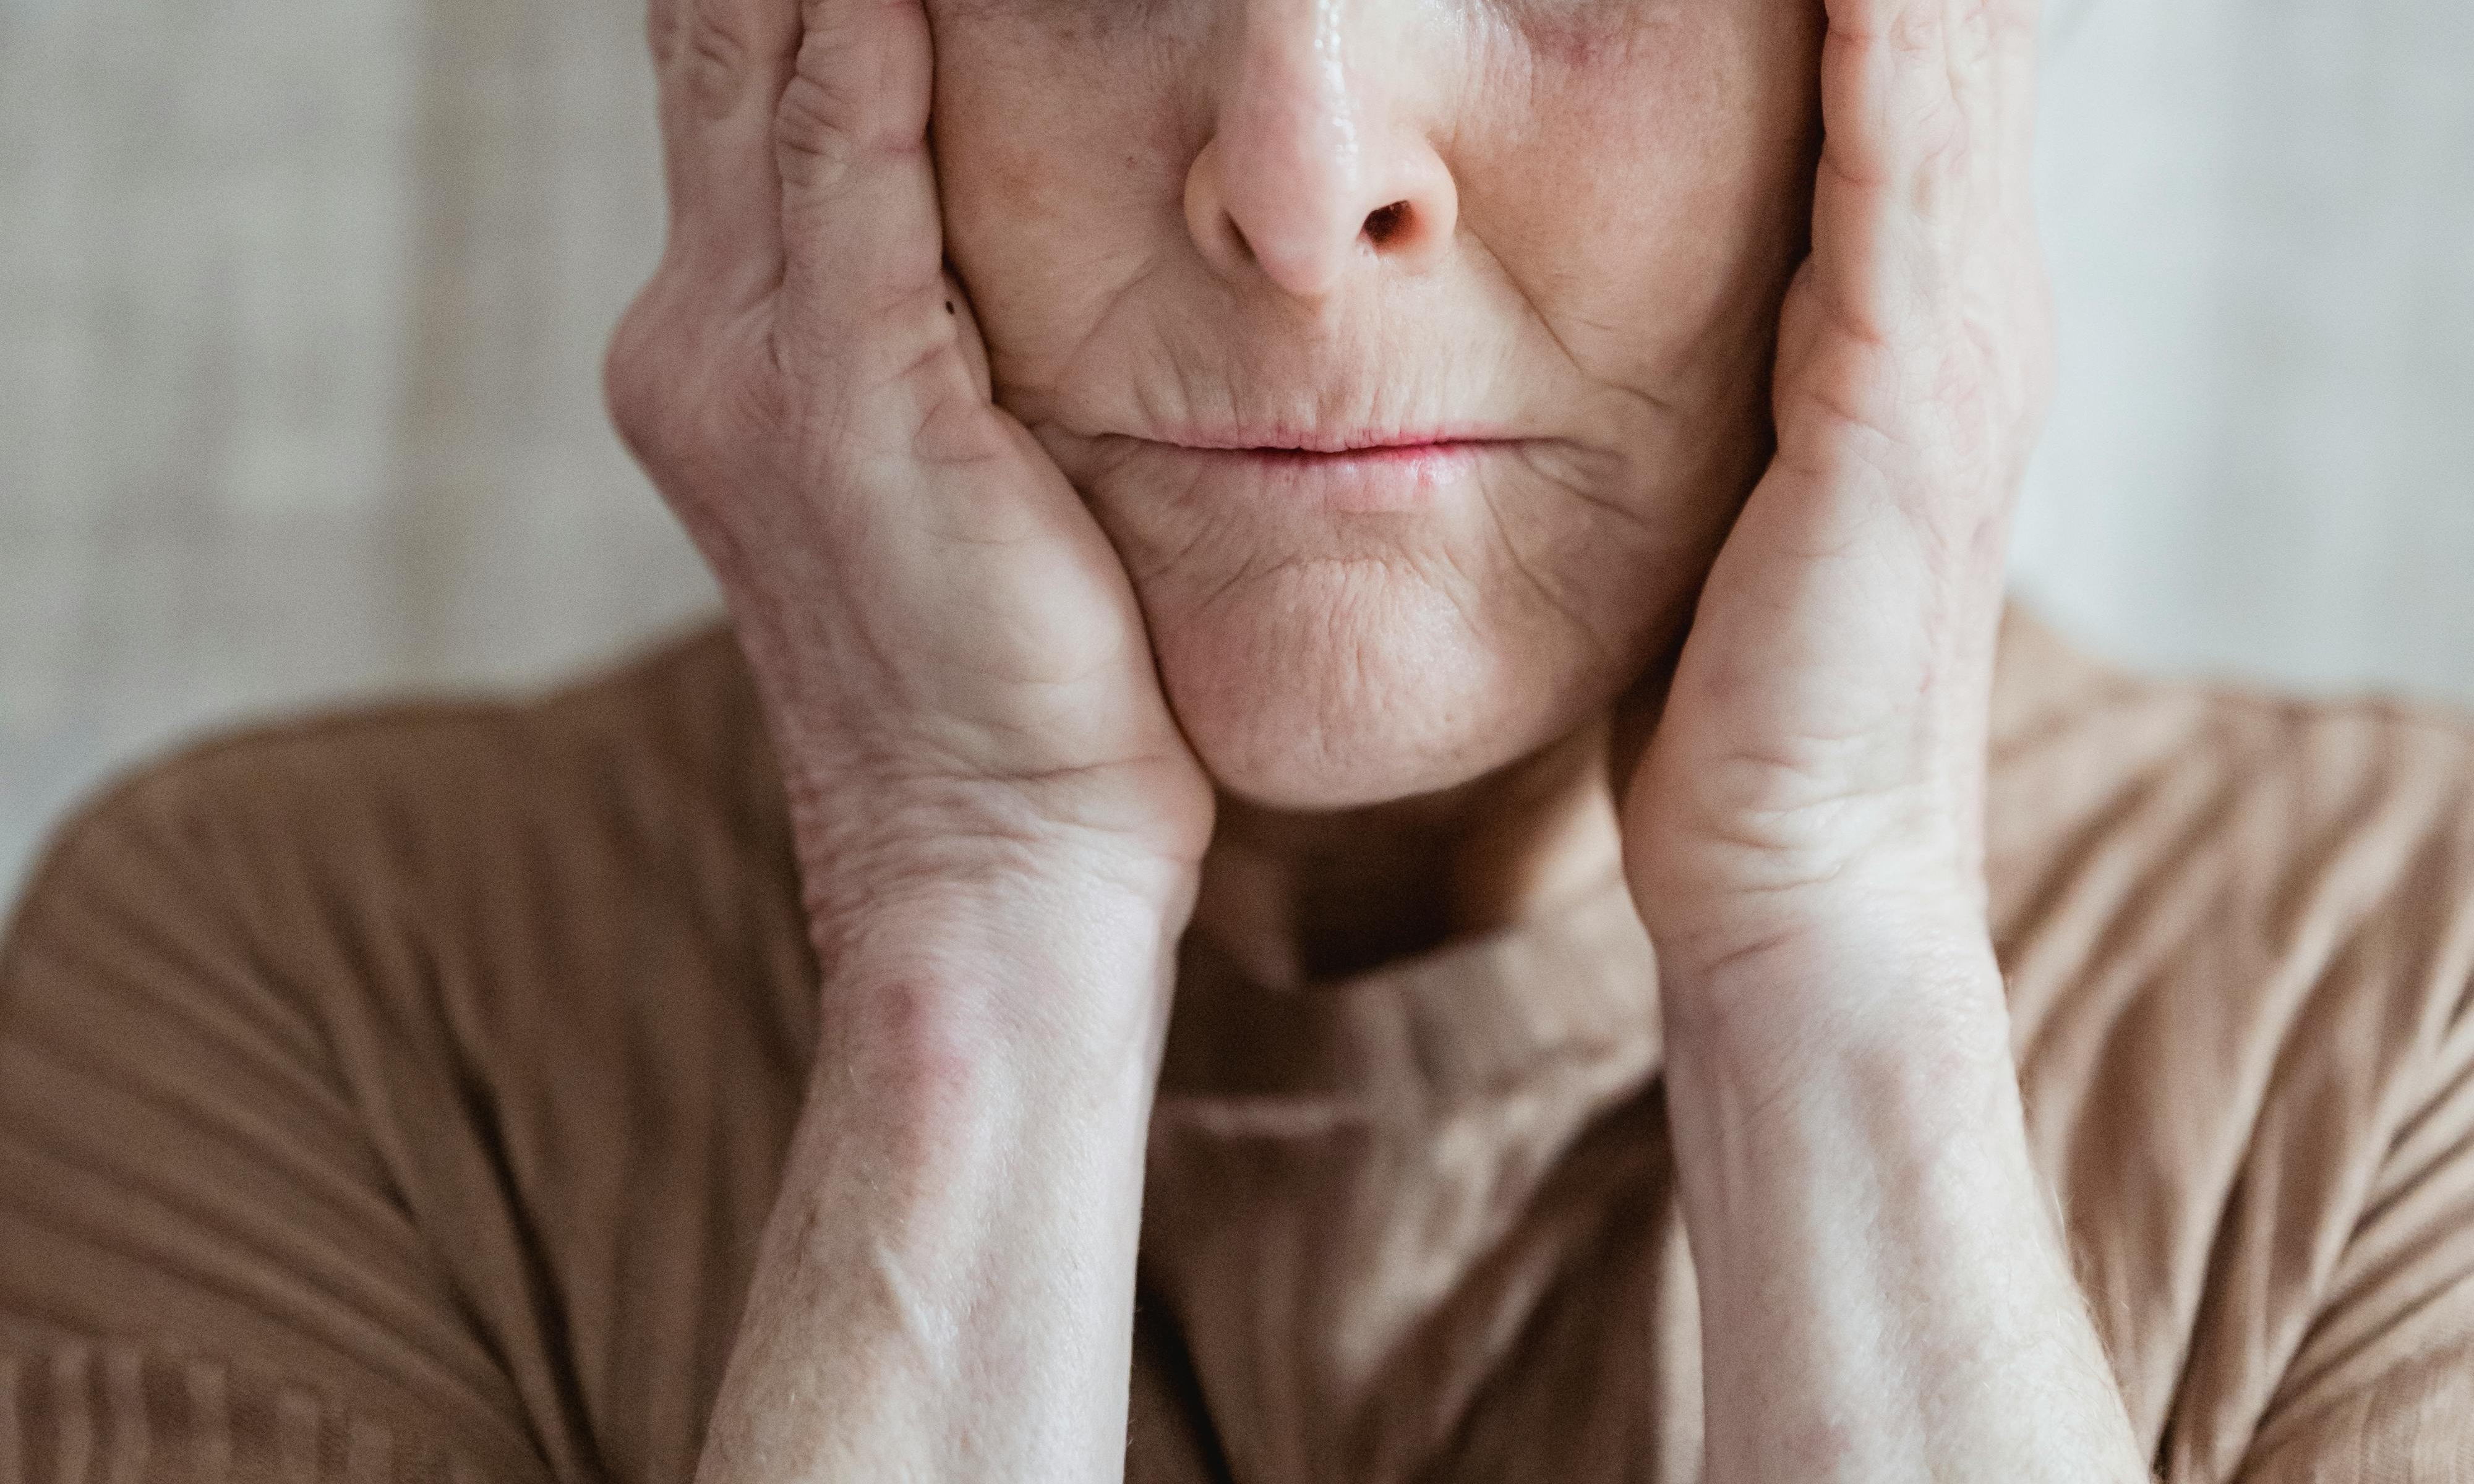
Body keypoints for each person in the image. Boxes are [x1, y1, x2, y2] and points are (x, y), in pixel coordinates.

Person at [6, 0, 2474, 1477]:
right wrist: (978, 915)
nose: (1303, 182)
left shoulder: (2401, 1003)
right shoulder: (294, 982)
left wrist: (1834, 944)